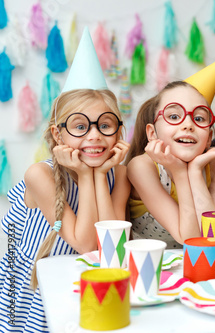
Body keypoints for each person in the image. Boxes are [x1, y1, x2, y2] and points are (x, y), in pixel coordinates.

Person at [0, 28, 130, 332]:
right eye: (80, 126)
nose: (94, 135)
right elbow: (86, 243)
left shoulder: (120, 174)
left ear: (119, 132)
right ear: (58, 134)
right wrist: (87, 174)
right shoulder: (40, 174)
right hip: (43, 291)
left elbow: (111, 250)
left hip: (96, 283)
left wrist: (99, 174)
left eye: (105, 125)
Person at [126, 54, 215, 248]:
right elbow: (189, 239)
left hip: (201, 265)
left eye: (199, 118)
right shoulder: (141, 167)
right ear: (152, 133)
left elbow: (213, 237)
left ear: (209, 137)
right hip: (152, 267)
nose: (188, 125)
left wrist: (195, 171)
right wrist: (180, 172)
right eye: (174, 116)